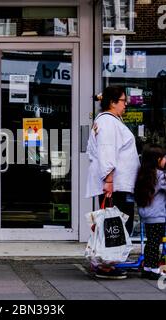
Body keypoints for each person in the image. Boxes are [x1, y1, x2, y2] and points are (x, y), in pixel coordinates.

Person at [86, 85, 140, 279]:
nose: (126, 104)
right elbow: (107, 151)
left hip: (119, 183)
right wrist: (108, 179)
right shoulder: (108, 122)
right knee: (116, 224)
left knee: (115, 223)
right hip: (116, 184)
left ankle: (108, 263)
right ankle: (107, 265)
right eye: (123, 101)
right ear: (112, 102)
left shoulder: (110, 121)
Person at [134, 144, 166, 280]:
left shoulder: (144, 174)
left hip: (146, 214)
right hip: (158, 215)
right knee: (155, 242)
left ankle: (147, 268)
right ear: (158, 160)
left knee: (150, 242)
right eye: (164, 158)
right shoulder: (160, 175)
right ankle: (154, 269)